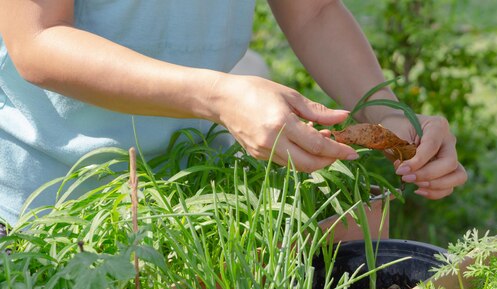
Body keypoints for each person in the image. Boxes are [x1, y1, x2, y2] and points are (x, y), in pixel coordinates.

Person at [0, 0, 467, 228]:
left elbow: (313, 11)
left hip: (198, 189)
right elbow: (38, 40)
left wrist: (387, 114)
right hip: (52, 201)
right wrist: (218, 96)